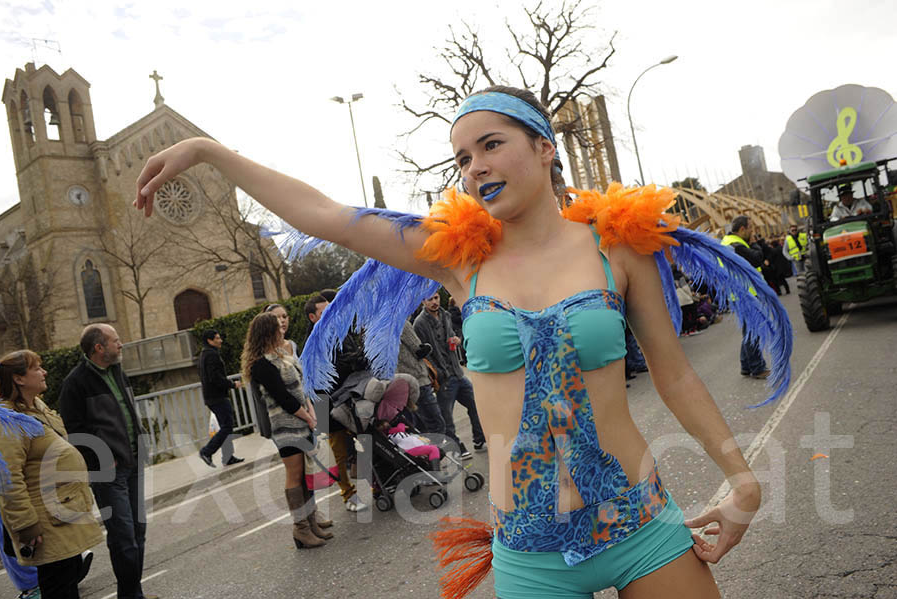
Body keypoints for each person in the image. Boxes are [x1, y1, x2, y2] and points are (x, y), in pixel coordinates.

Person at [133, 85, 791, 597]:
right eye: (463, 157)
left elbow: (674, 377)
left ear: (543, 147)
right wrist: (209, 152)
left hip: (641, 524)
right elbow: (326, 214)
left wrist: (741, 479)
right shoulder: (459, 259)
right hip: (531, 554)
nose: (475, 167)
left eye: (491, 144)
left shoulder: (616, 245)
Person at [58, 325, 158, 599]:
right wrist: (102, 458)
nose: (121, 344)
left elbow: (127, 412)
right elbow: (74, 431)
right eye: (116, 341)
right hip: (108, 471)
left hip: (133, 461)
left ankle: (132, 592)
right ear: (99, 348)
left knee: (138, 532)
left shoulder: (117, 371)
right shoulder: (75, 383)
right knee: (123, 536)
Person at [0, 350, 103, 599]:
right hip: (45, 520)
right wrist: (25, 525)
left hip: (64, 510)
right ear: (19, 379)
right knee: (59, 586)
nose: (44, 372)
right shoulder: (8, 419)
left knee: (69, 578)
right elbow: (7, 477)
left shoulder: (36, 406)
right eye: (37, 368)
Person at [242, 312, 332, 548]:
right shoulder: (261, 364)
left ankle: (311, 522)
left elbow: (302, 388)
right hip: (286, 427)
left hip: (303, 421)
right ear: (267, 332)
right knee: (295, 475)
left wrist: (312, 413)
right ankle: (300, 528)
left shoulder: (283, 355)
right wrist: (308, 418)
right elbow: (284, 398)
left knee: (307, 475)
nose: (282, 327)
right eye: (276, 326)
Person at [304, 294, 369, 513]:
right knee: (339, 452)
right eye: (324, 312)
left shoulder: (343, 330)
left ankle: (378, 484)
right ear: (313, 317)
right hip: (328, 402)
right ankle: (348, 493)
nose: (332, 314)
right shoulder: (312, 343)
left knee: (369, 441)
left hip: (352, 393)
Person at [413, 292, 486, 459]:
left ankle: (479, 438)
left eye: (436, 298)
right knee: (446, 417)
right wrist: (438, 373)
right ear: (423, 301)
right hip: (443, 378)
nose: (434, 302)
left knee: (475, 404)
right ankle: (456, 447)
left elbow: (454, 334)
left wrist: (457, 340)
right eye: (430, 299)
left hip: (457, 372)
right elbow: (424, 354)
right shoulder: (420, 323)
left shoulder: (445, 314)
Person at [722, 217, 770, 380]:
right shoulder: (736, 245)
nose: (752, 232)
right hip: (745, 293)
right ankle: (757, 368)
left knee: (748, 330)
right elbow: (757, 258)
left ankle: (746, 366)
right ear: (742, 229)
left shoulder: (728, 242)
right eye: (750, 228)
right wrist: (755, 242)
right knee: (753, 331)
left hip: (739, 293)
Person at [197, 329, 244, 468]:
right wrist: (232, 384)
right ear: (209, 341)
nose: (220, 340)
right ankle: (206, 451)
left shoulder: (204, 354)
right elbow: (215, 378)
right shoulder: (212, 355)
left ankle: (228, 457)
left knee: (226, 425)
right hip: (217, 397)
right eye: (217, 338)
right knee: (227, 425)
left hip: (212, 397)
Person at [396, 320, 445, 435]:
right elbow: (419, 350)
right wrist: (428, 347)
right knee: (436, 423)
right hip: (417, 379)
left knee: (419, 425)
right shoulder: (401, 323)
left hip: (400, 382)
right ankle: (437, 451)